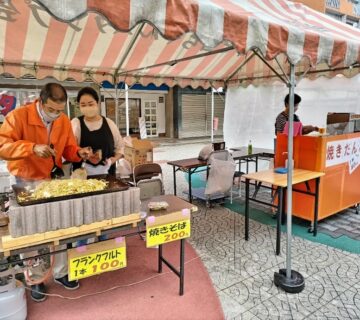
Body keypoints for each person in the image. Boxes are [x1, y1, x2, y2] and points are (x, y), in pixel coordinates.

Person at [0, 83, 92, 302]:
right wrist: (31, 148)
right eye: (52, 110)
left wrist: (79, 153)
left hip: (50, 179)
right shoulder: (18, 116)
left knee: (58, 226)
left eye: (60, 110)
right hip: (23, 179)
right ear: (41, 102)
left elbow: (68, 149)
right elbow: (3, 146)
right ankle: (36, 278)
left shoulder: (62, 121)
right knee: (30, 230)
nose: (56, 115)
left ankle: (60, 272)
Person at [71, 87, 124, 176]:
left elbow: (120, 148)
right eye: (83, 105)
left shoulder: (109, 123)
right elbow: (71, 149)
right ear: (79, 106)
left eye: (90, 104)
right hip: (82, 176)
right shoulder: (76, 123)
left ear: (97, 103)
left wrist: (112, 160)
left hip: (107, 174)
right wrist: (82, 153)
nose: (87, 107)